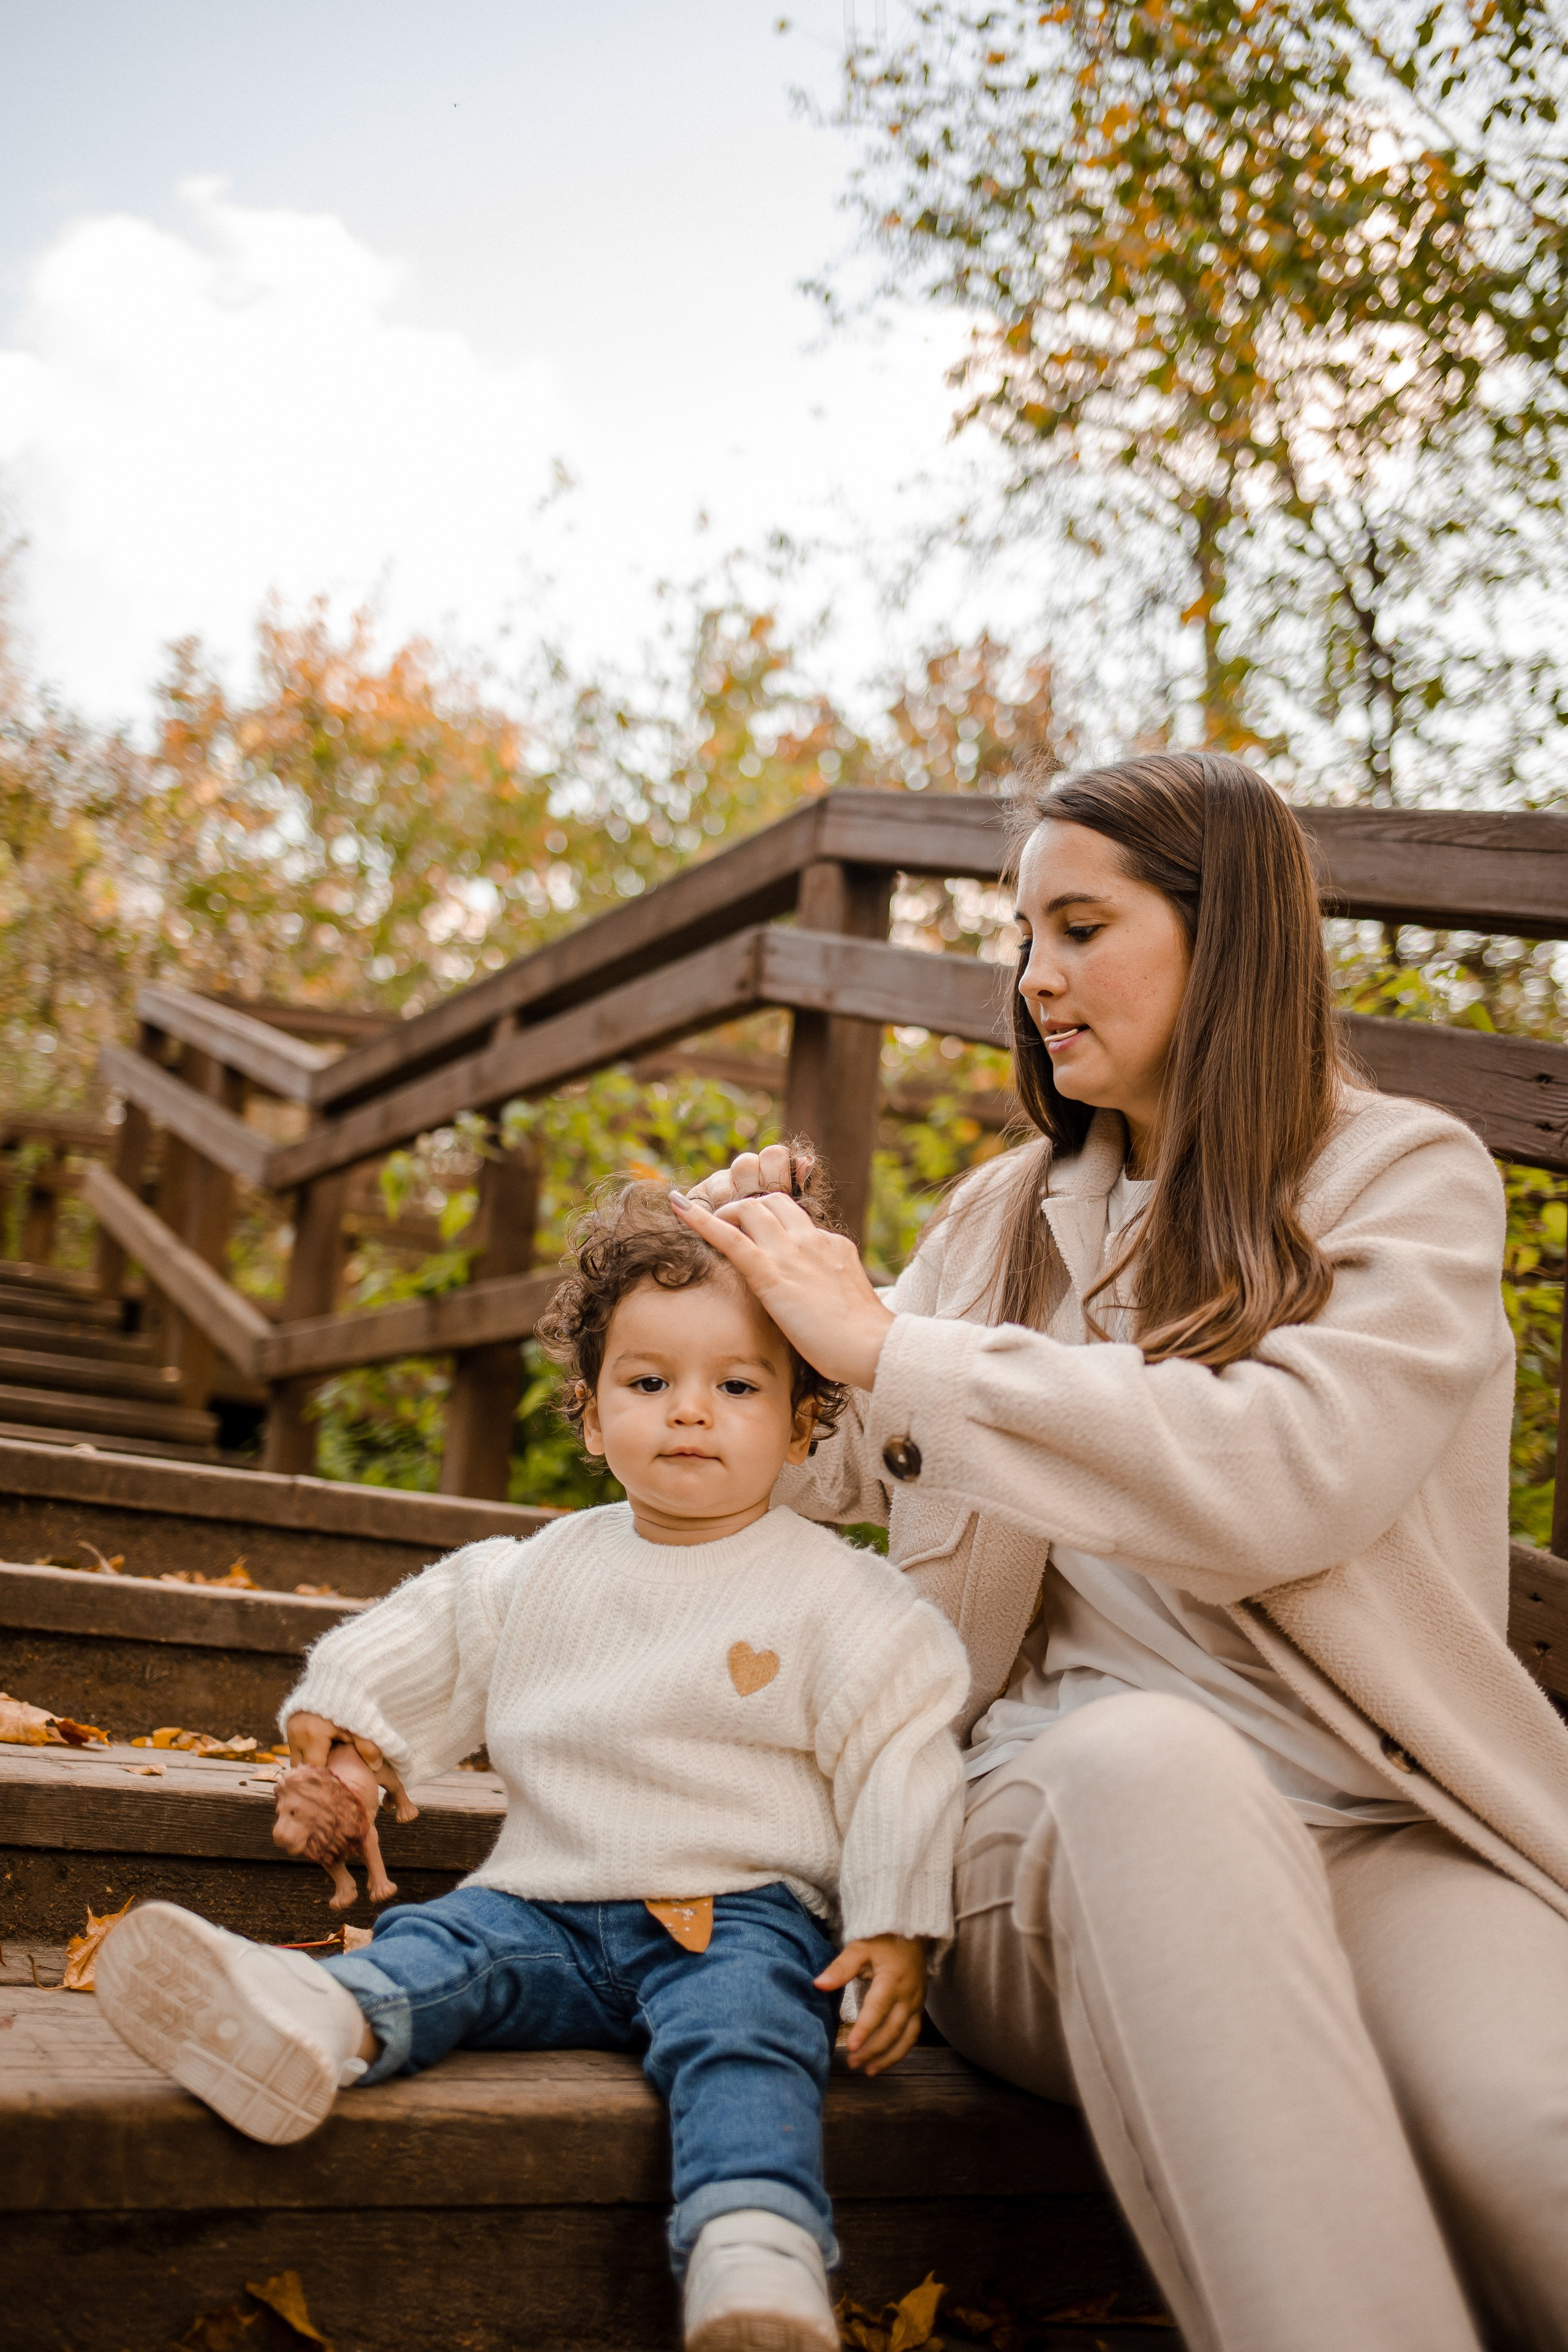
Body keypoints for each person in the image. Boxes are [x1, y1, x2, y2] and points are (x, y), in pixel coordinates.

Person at [670, 752, 1568, 2352]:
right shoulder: (993, 1218)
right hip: (1047, 1824)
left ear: (1230, 940)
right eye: (1023, 936)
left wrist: (892, 1349)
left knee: (1536, 2146)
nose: (1034, 978)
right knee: (1156, 1762)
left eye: (1079, 928)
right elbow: (821, 1478)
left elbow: (1285, 1474)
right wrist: (748, 1327)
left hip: (1380, 1830)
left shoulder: (1401, 1181)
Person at [96, 1180, 969, 2352]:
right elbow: (433, 1636)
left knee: (750, 2039)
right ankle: (308, 2021)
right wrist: (349, 1739)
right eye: (648, 1383)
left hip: (739, 1917)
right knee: (443, 1948)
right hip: (543, 1906)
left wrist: (898, 1917)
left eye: (738, 1386)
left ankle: (752, 2251)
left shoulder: (844, 1598)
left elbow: (903, 1750)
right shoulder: (539, 1570)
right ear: (592, 1416)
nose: (690, 1411)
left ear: (806, 1425)